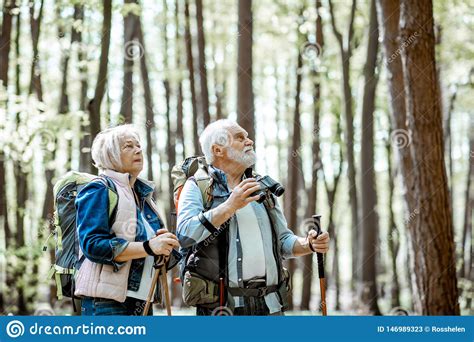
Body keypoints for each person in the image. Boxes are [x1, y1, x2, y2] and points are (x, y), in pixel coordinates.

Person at [177, 119, 330, 315]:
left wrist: (308, 244)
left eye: (248, 137)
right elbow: (185, 235)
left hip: (271, 306)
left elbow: (283, 241)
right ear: (217, 150)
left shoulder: (263, 188)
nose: (250, 142)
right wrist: (230, 206)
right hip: (224, 309)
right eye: (240, 138)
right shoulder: (197, 186)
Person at [74, 124, 180, 316]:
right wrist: (149, 246)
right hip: (108, 304)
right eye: (128, 146)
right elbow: (92, 245)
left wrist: (163, 247)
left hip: (141, 301)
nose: (138, 150)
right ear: (110, 154)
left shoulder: (142, 195)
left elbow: (148, 250)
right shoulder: (99, 189)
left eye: (138, 145)